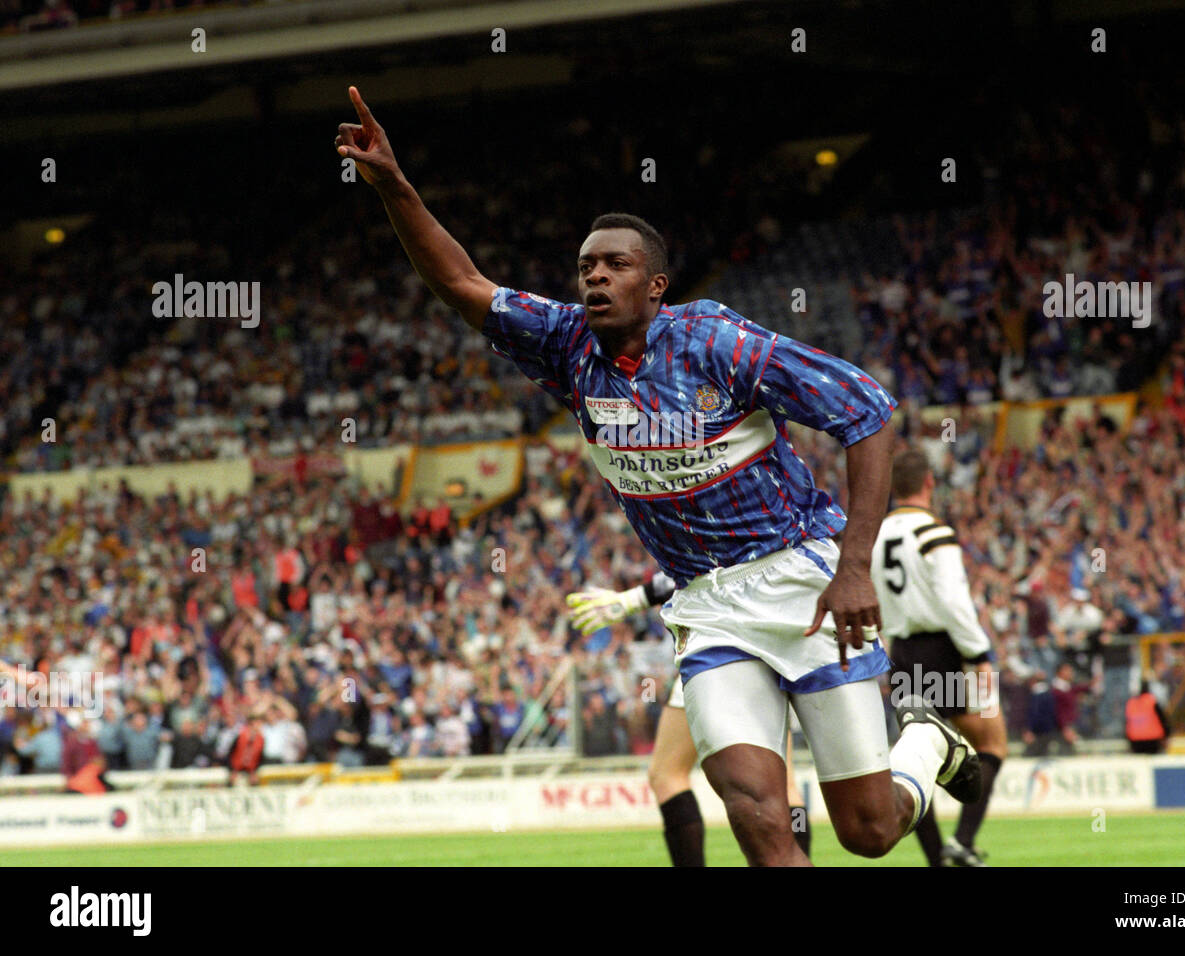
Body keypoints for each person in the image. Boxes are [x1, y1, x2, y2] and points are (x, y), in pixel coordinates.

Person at [338, 88, 980, 866]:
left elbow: (867, 412)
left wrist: (852, 569)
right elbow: (463, 286)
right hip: (708, 609)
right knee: (757, 816)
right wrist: (395, 186)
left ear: (656, 286)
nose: (594, 279)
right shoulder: (566, 346)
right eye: (585, 268)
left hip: (803, 584)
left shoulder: (717, 343)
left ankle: (922, 746)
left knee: (869, 832)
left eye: (615, 265)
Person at [567, 577, 811, 866]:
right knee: (785, 785)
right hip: (781, 633)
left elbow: (700, 564)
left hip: (718, 637)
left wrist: (633, 599)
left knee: (667, 774)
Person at [871, 448, 1007, 867]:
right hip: (943, 650)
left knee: (917, 755)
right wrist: (979, 653)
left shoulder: (875, 537)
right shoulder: (935, 533)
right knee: (992, 741)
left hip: (902, 653)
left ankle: (936, 858)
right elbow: (954, 601)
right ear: (929, 483)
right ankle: (962, 842)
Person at [1125, 679, 1171, 754]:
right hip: (1153, 740)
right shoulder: (1152, 701)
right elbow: (1162, 719)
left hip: (1135, 742)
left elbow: (1127, 724)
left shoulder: (1130, 703)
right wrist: (1167, 735)